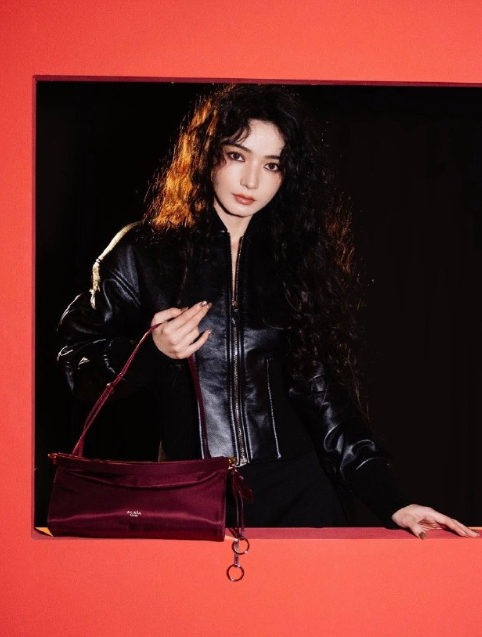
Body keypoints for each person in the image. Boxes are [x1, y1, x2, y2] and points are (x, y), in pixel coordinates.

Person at [57, 84, 477, 538]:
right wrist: (149, 352)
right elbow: (75, 365)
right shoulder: (143, 251)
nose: (251, 181)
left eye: (271, 164)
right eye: (237, 156)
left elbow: (322, 395)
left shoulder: (295, 258)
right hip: (195, 496)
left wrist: (392, 499)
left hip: (300, 493)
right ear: (206, 154)